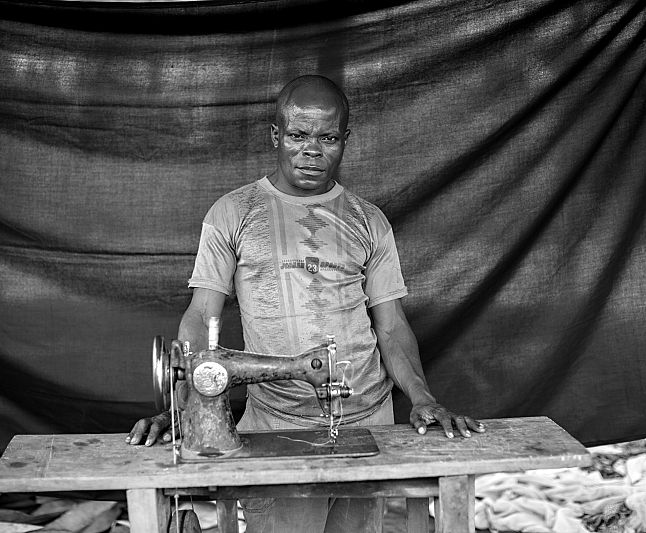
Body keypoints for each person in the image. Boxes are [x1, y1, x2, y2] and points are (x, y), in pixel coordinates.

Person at [127, 74, 485, 532]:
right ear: (276, 135)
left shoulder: (368, 220)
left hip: (367, 421)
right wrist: (185, 403)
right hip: (275, 423)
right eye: (297, 135)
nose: (312, 150)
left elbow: (391, 327)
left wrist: (422, 397)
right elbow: (201, 316)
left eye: (328, 137)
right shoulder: (233, 213)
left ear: (345, 141)